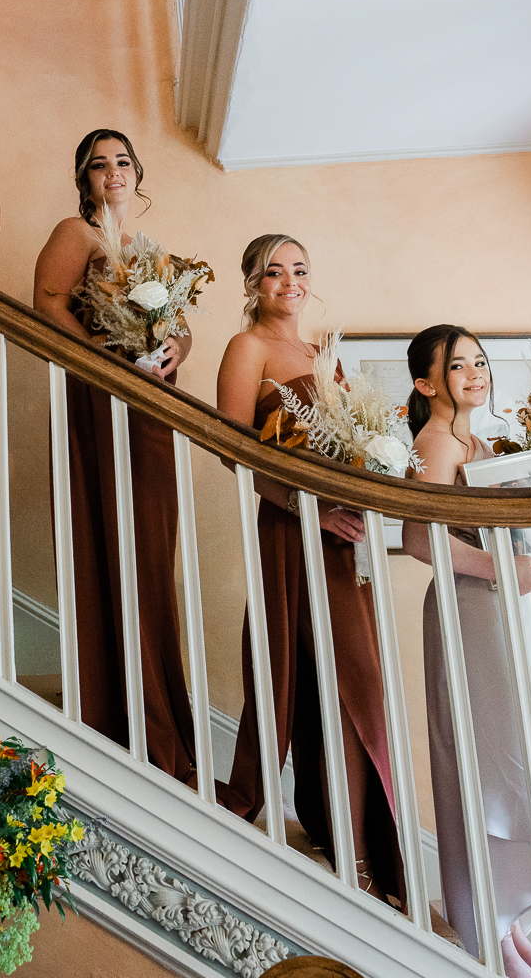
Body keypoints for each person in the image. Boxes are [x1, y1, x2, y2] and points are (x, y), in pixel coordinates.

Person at [214, 235, 406, 905]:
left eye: (298, 270)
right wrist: (305, 509)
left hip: (345, 540)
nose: (288, 281)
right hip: (293, 530)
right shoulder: (248, 349)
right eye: (273, 271)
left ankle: (360, 849)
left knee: (355, 687)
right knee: (339, 682)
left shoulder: (323, 351)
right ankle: (355, 859)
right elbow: (232, 447)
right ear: (251, 283)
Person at [404, 325, 531, 978]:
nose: (476, 373)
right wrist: (498, 570)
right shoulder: (433, 443)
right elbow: (416, 539)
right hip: (467, 612)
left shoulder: (481, 441)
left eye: (481, 362)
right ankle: (486, 928)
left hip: (501, 614)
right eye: (459, 365)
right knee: (487, 764)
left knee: (520, 754)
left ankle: (507, 926)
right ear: (428, 383)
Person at [32, 130, 197, 783]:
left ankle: (160, 713)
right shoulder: (76, 233)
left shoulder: (149, 249)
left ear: (137, 172)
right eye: (98, 164)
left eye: (122, 161)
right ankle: (120, 717)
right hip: (103, 401)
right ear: (84, 178)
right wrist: (102, 359)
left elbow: (179, 321)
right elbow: (46, 302)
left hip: (152, 407)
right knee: (115, 541)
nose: (113, 172)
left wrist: (178, 346)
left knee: (154, 550)